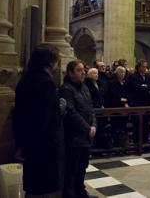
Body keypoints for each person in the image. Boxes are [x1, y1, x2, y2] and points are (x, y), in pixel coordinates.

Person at [13, 45, 64, 197]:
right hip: (44, 144)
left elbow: (19, 116)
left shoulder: (25, 80)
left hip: (29, 142)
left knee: (34, 186)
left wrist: (21, 144)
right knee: (45, 187)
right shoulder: (45, 83)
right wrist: (61, 107)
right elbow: (46, 117)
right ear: (50, 61)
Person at [59, 60, 96, 198]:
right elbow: (71, 112)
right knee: (71, 168)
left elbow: (91, 109)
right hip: (74, 136)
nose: (83, 73)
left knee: (82, 167)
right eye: (79, 70)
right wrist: (87, 128)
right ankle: (70, 194)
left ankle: (81, 192)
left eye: (83, 70)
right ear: (70, 73)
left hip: (86, 136)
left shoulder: (84, 87)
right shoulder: (66, 89)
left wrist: (93, 125)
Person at [127, 59, 150, 143]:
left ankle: (145, 141)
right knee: (137, 124)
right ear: (138, 67)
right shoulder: (133, 76)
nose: (145, 68)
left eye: (146, 66)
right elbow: (135, 88)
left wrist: (144, 86)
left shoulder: (148, 76)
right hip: (137, 103)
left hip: (147, 103)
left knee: (146, 124)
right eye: (143, 66)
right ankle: (137, 142)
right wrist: (145, 87)